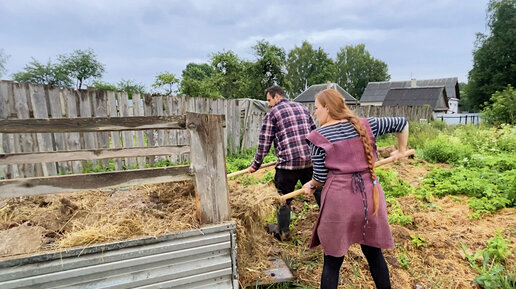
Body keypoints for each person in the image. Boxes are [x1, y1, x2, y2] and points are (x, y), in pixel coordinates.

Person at [302, 88, 409, 289]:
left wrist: (311, 185)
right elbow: (402, 123)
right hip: (370, 196)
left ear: (327, 108)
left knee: (332, 262)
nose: (315, 113)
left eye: (316, 108)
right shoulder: (367, 124)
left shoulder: (317, 137)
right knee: (374, 254)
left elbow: (321, 178)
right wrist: (401, 150)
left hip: (339, 202)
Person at [248, 85, 317, 241]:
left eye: (269, 100)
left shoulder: (273, 113)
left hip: (288, 165)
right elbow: (315, 134)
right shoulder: (303, 108)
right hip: (309, 161)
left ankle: (283, 232)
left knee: (282, 198)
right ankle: (332, 227)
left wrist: (255, 165)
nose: (268, 104)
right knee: (320, 192)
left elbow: (265, 142)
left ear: (277, 96)